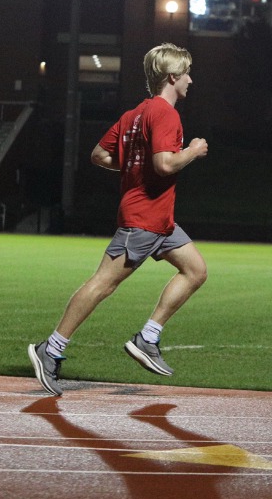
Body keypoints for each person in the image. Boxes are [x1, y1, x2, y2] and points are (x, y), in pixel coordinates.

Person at [27, 43, 208, 396]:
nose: (190, 79)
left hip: (160, 221)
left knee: (196, 270)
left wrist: (131, 167)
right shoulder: (166, 114)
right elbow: (165, 164)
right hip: (143, 218)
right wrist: (193, 151)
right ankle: (50, 349)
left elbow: (98, 155)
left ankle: (147, 337)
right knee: (102, 285)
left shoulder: (134, 114)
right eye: (186, 73)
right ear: (172, 76)